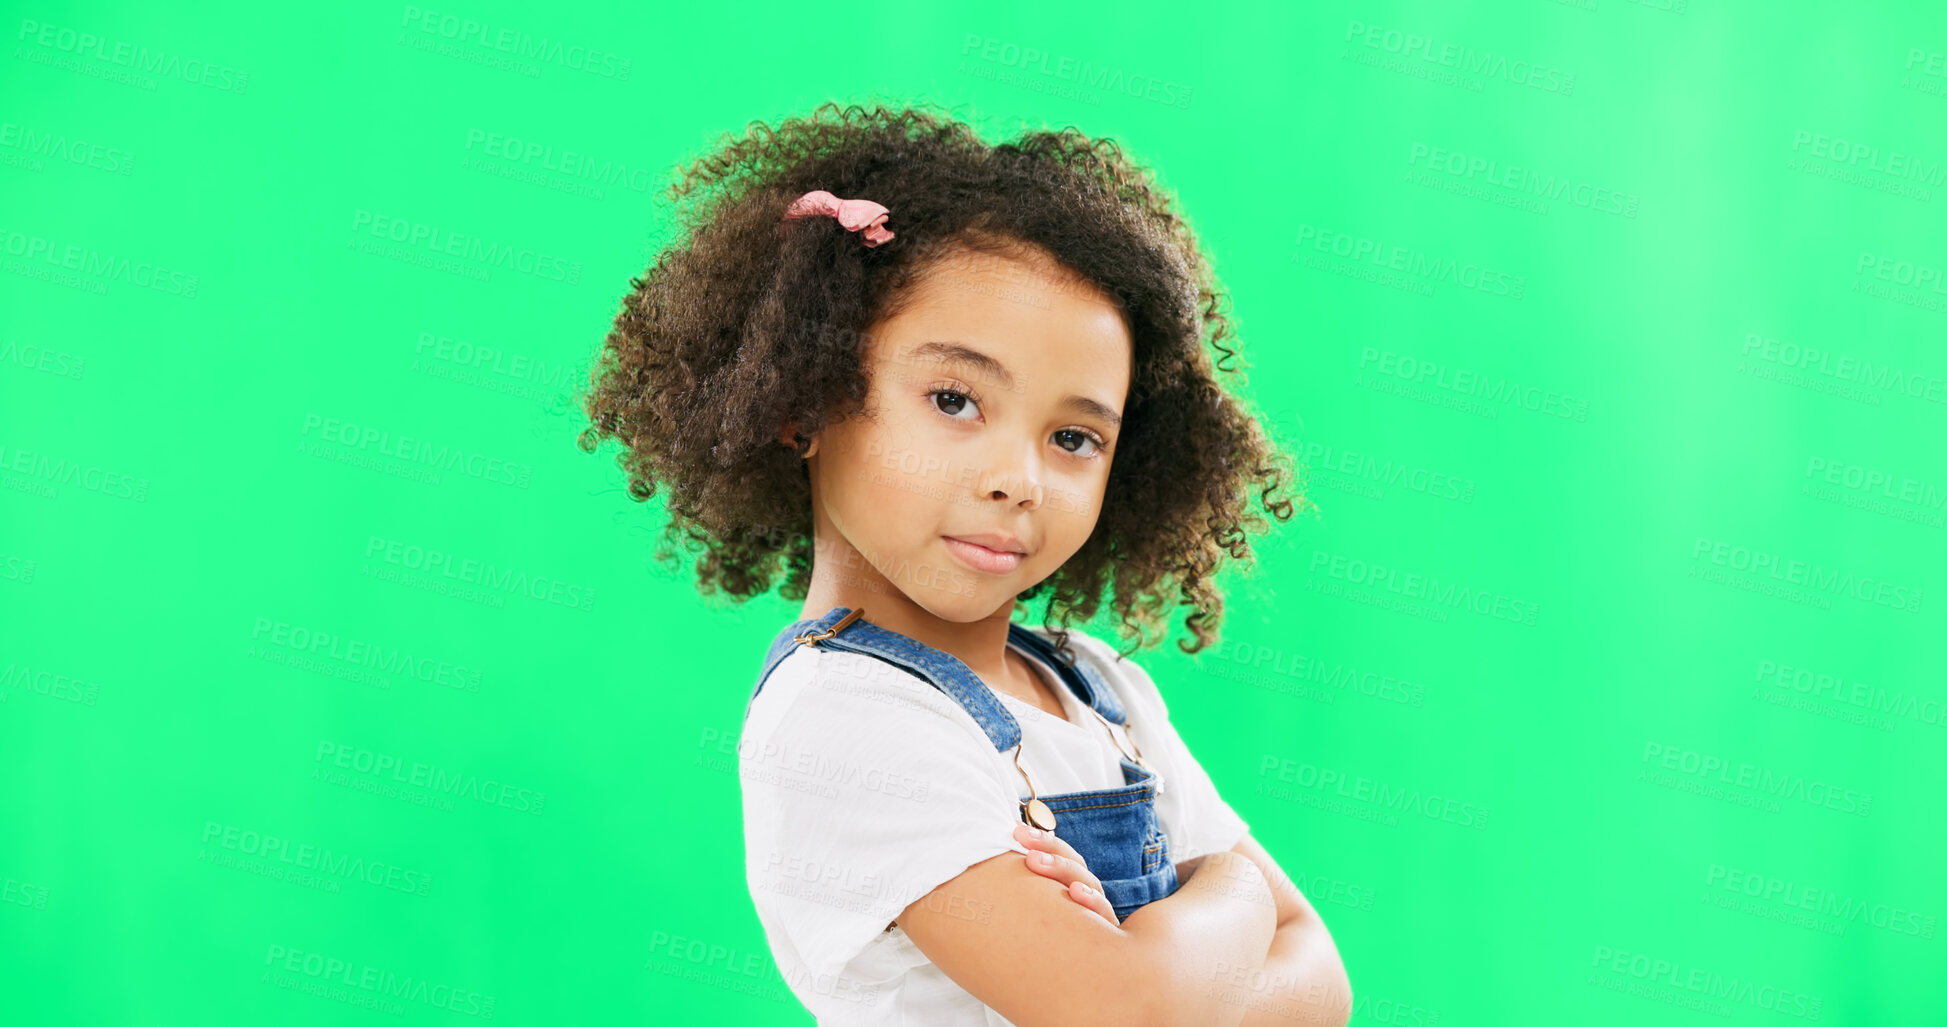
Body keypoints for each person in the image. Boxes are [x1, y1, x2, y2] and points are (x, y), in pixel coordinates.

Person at [578, 100, 1350, 1026]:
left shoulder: (1093, 684)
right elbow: (1133, 1013)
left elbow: (1321, 988)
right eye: (954, 398)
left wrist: (1182, 953)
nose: (1016, 479)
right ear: (806, 399)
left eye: (1072, 435)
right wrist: (1234, 887)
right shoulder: (848, 721)